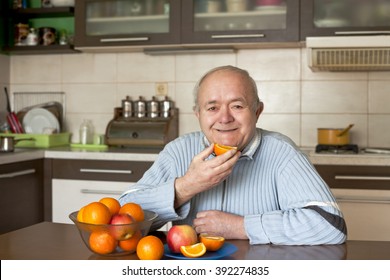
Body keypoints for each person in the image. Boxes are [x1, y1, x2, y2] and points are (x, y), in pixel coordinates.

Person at [119, 65, 347, 245]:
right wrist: (186, 186)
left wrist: (241, 227)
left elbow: (330, 225)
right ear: (198, 114)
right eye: (212, 108)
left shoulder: (282, 152)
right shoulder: (177, 151)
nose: (225, 118)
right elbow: (120, 222)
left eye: (237, 106)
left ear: (257, 112)